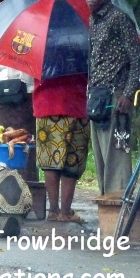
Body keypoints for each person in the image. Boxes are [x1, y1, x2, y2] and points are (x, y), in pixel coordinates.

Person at [84, 0, 140, 194]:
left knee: (117, 154)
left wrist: (127, 94)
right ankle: (107, 203)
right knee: (101, 154)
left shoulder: (119, 18)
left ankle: (120, 202)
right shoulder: (93, 20)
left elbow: (138, 60)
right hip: (97, 95)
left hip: (115, 95)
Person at [0, 2, 38, 182]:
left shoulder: (23, 32)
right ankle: (6, 182)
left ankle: (28, 182)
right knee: (3, 140)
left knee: (25, 141)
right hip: (2, 97)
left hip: (24, 95)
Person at [32, 73, 90, 222]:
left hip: (46, 102)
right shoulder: (79, 57)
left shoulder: (41, 57)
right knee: (72, 159)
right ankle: (65, 212)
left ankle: (53, 211)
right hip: (75, 101)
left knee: (49, 159)